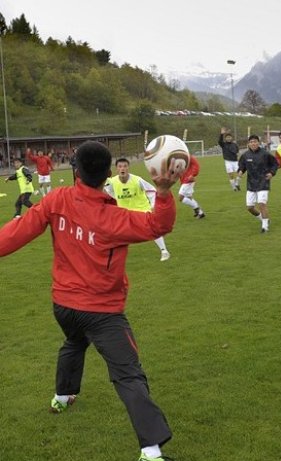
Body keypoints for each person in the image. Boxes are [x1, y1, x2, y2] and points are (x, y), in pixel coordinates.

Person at [0, 141, 181, 461]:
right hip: (103, 312)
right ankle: (151, 451)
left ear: (75, 172)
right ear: (109, 174)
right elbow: (158, 225)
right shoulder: (116, 218)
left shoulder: (57, 199)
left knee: (74, 342)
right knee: (128, 375)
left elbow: (17, 232)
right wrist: (164, 194)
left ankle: (61, 395)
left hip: (64, 306)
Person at [105, 157, 171, 261]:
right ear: (116, 169)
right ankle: (112, 256)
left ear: (128, 168)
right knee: (116, 232)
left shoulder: (137, 180)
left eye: (125, 166)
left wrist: (153, 205)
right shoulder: (112, 182)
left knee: (152, 228)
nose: (123, 168)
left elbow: (151, 190)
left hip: (142, 209)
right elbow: (109, 191)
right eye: (120, 166)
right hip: (125, 212)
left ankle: (164, 251)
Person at [238, 134, 278, 233]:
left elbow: (275, 164)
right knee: (250, 208)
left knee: (261, 204)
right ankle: (265, 219)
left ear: (258, 143)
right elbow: (242, 166)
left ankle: (265, 227)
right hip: (251, 184)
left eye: (255, 141)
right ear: (248, 144)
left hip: (263, 182)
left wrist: (271, 173)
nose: (253, 143)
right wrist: (240, 171)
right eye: (251, 142)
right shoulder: (245, 155)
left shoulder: (265, 154)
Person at [178, 154, 205, 218]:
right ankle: (200, 212)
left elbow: (196, 166)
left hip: (188, 181)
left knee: (180, 198)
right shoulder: (180, 158)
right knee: (189, 197)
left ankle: (196, 209)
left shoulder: (188, 157)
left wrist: (192, 175)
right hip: (184, 181)